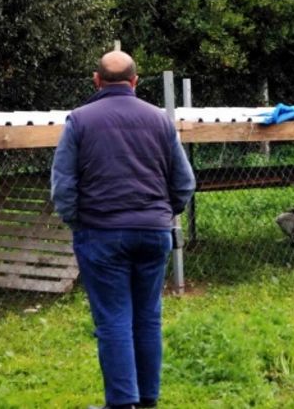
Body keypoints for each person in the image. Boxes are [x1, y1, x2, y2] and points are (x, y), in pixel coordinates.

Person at [51, 51, 195, 409]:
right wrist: (164, 213)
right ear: (134, 82)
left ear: (96, 81)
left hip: (101, 233)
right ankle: (147, 399)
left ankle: (121, 402)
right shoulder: (160, 120)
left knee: (113, 318)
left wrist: (77, 222)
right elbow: (184, 182)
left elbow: (63, 186)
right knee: (147, 316)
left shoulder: (80, 121)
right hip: (153, 232)